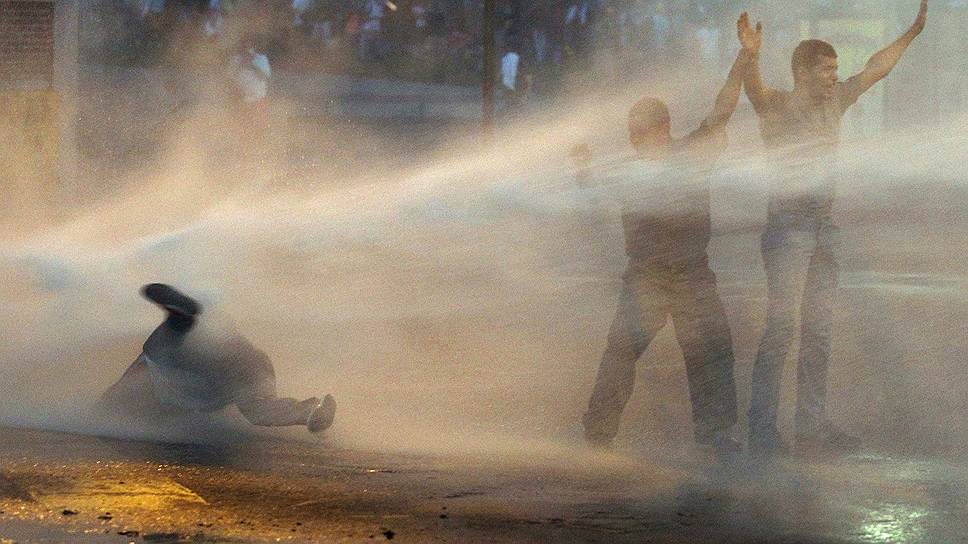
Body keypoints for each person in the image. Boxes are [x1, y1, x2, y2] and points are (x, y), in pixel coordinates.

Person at [740, 1, 928, 459]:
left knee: (818, 331)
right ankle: (762, 431)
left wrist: (912, 32)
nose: (833, 76)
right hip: (788, 232)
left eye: (834, 69)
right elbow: (755, 92)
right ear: (802, 73)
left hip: (824, 230)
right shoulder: (780, 106)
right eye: (825, 69)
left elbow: (874, 69)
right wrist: (749, 57)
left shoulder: (837, 100)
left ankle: (812, 425)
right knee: (781, 330)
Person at [581, 13, 760, 459]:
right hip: (645, 277)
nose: (634, 140)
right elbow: (587, 189)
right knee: (621, 352)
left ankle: (716, 434)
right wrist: (581, 169)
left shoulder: (691, 154)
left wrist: (744, 58)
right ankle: (598, 433)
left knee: (712, 353)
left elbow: (722, 109)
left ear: (663, 129)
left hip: (691, 274)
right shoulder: (626, 169)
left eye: (640, 132)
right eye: (631, 134)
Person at [98, 284, 336, 433]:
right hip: (243, 365)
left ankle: (182, 320)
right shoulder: (166, 400)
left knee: (160, 355)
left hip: (214, 365)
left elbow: (114, 399)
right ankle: (310, 412)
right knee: (258, 409)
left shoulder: (145, 382)